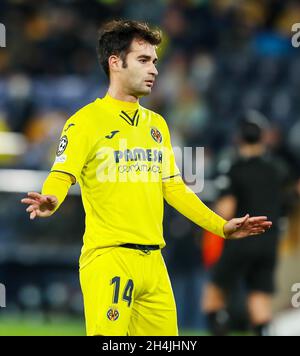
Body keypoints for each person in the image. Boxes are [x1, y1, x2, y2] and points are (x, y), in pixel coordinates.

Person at [21, 20, 272, 336]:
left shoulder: (158, 126)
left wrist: (219, 226)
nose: (153, 69)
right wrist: (51, 200)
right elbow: (61, 173)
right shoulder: (85, 122)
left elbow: (174, 188)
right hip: (110, 258)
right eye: (143, 60)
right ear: (116, 62)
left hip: (154, 261)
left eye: (154, 61)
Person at [201, 117, 286, 336]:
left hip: (242, 240)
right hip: (269, 241)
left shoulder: (234, 169)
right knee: (259, 299)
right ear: (262, 138)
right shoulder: (276, 169)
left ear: (239, 139)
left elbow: (226, 211)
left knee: (214, 296)